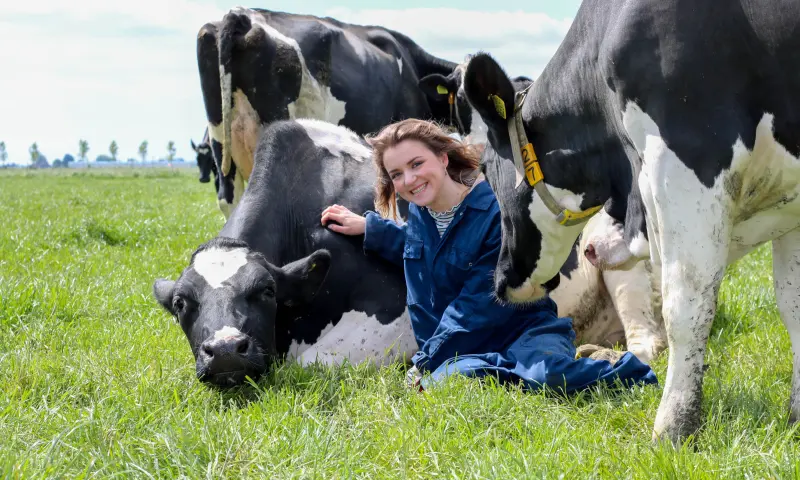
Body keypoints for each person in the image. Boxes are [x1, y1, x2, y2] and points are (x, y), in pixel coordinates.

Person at [320, 119, 657, 392]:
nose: (409, 180)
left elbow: (476, 308)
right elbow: (420, 248)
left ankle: (625, 371)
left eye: (416, 164)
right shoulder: (421, 215)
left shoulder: (494, 213)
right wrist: (371, 229)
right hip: (464, 350)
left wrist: (425, 360)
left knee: (548, 376)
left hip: (522, 332)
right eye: (396, 174)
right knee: (451, 382)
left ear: (443, 158)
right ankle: (517, 374)